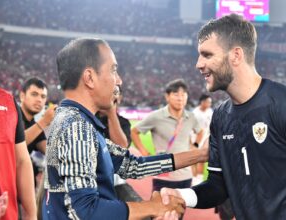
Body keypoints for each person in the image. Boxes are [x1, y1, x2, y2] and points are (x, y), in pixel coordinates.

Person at [160, 14, 286, 220]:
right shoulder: (221, 118)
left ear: (236, 55)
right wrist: (182, 195)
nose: (198, 64)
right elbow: (218, 186)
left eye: (207, 55)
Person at [42, 38, 208, 220]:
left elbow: (132, 165)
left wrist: (202, 155)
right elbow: (84, 212)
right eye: (113, 70)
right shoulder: (76, 127)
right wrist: (152, 207)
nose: (119, 80)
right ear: (89, 78)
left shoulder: (78, 121)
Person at [131, 79, 204, 193]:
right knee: (160, 209)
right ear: (167, 97)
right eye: (176, 94)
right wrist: (145, 153)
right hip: (163, 175)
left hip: (185, 176)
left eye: (183, 94)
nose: (180, 98)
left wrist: (195, 145)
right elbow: (134, 132)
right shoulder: (156, 116)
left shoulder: (191, 117)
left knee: (181, 209)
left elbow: (200, 131)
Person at [97, 85, 142, 202]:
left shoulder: (124, 123)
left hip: (116, 181)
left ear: (120, 98)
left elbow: (121, 147)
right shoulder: (88, 118)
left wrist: (111, 113)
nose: (110, 96)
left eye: (114, 93)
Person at [0, 87, 37, 220]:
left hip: (8, 214)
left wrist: (31, 214)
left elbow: (22, 161)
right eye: (34, 94)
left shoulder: (7, 101)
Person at [19, 77, 56, 187]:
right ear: (22, 96)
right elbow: (14, 143)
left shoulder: (34, 125)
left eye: (43, 96)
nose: (39, 100)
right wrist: (44, 121)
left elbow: (51, 151)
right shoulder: (12, 115)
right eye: (34, 94)